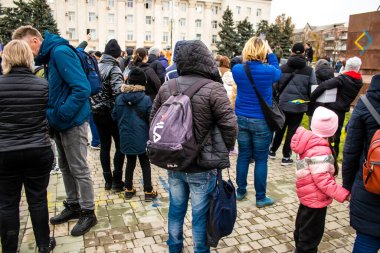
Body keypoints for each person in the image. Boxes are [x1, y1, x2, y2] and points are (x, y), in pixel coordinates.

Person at [150, 40, 237, 253]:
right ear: (205, 60)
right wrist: (224, 149)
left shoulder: (167, 86)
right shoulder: (214, 89)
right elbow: (229, 125)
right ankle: (200, 250)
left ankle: (175, 248)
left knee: (176, 209)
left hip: (174, 161)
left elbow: (153, 120)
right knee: (200, 215)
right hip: (203, 166)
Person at [13, 25, 97, 236]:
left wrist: (61, 114)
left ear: (34, 41)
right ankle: (73, 204)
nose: (25, 54)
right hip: (60, 123)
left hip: (71, 122)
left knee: (79, 168)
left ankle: (88, 211)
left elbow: (82, 88)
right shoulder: (51, 56)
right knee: (66, 166)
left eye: (24, 47)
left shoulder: (59, 52)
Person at [0, 40, 56, 253]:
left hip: (5, 152)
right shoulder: (42, 85)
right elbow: (47, 116)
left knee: (7, 203)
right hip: (37, 150)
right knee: (38, 198)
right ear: (28, 58)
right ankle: (43, 245)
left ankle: (9, 248)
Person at [291, 106, 350, 253]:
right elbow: (324, 182)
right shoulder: (320, 151)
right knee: (310, 238)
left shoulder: (308, 142)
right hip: (316, 201)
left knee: (302, 229)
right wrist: (345, 194)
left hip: (307, 196)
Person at [232, 37, 281, 206]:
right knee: (261, 159)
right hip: (261, 120)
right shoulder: (269, 71)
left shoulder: (237, 69)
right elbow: (277, 71)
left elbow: (241, 62)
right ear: (263, 52)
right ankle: (260, 197)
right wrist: (270, 52)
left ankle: (240, 191)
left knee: (243, 156)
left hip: (241, 119)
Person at [342, 75, 380, 252]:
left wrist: (348, 186)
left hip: (370, 184)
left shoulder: (367, 102)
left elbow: (351, 150)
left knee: (367, 239)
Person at [113, 68, 158, 202]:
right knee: (145, 163)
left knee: (130, 162)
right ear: (143, 82)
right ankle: (148, 191)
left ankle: (128, 189)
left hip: (125, 136)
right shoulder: (146, 99)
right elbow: (151, 119)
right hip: (142, 137)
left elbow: (114, 116)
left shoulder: (119, 98)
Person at [269, 43, 317, 166]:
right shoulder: (309, 71)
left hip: (283, 104)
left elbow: (275, 86)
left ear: (291, 52)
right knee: (292, 131)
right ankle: (286, 156)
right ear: (303, 53)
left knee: (280, 128)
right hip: (299, 105)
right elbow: (313, 89)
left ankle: (272, 151)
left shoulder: (282, 68)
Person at [311, 56, 363, 157]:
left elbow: (324, 85)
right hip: (342, 111)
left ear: (347, 66)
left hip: (331, 109)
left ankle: (321, 155)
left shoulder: (343, 79)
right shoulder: (358, 81)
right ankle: (334, 159)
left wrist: (313, 97)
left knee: (323, 134)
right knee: (336, 136)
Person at [90, 39, 125, 191]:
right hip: (112, 114)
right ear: (117, 54)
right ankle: (117, 181)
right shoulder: (114, 69)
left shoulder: (96, 66)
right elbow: (119, 91)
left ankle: (107, 181)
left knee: (104, 146)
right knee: (120, 146)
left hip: (97, 112)